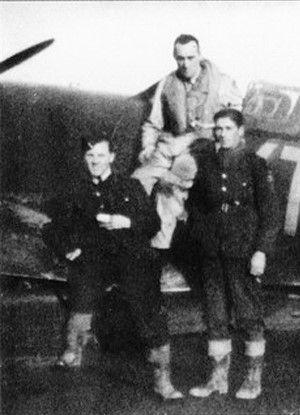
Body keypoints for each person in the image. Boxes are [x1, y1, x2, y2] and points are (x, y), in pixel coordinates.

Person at [43, 137, 184, 401]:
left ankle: (163, 380)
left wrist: (126, 222)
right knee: (80, 300)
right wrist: (68, 249)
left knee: (150, 311)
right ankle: (73, 352)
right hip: (94, 259)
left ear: (112, 157)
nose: (95, 161)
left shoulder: (129, 185)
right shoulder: (75, 190)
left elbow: (152, 223)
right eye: (90, 156)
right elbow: (51, 228)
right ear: (84, 158)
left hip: (130, 258)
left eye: (100, 155)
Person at [187, 109, 280, 400]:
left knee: (249, 315)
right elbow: (196, 205)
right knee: (215, 315)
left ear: (241, 131)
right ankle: (217, 380)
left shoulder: (255, 165)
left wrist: (260, 251)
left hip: (243, 251)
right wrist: (201, 236)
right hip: (213, 252)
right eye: (218, 128)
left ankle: (253, 380)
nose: (221, 133)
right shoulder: (206, 164)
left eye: (228, 128)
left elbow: (270, 214)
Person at [131, 33, 243, 251]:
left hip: (205, 148)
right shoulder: (168, 83)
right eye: (180, 58)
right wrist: (148, 147)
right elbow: (153, 122)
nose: (185, 64)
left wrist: (223, 146)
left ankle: (161, 247)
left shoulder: (223, 83)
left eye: (190, 58)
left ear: (199, 55)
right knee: (136, 181)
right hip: (171, 145)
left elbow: (236, 121)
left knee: (171, 181)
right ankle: (130, 241)